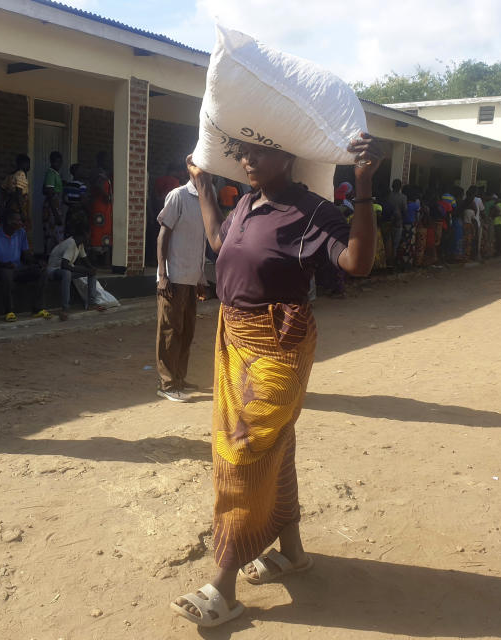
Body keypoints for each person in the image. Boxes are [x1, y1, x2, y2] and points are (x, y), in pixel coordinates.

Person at [169, 133, 382, 627]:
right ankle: (292, 552)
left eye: (258, 151)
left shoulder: (313, 212)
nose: (246, 159)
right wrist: (202, 187)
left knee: (244, 448)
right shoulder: (247, 202)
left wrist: (364, 186)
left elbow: (358, 263)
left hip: (278, 343)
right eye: (242, 151)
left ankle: (222, 584)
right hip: (233, 337)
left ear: (288, 155)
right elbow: (223, 244)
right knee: (276, 443)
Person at [155, 175, 208, 403]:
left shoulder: (206, 200)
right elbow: (163, 236)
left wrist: (201, 277)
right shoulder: (178, 196)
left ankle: (179, 378)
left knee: (186, 332)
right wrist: (162, 275)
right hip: (173, 277)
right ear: (193, 172)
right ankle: (167, 384)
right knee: (169, 331)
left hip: (191, 278)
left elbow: (200, 242)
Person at [0, 212, 50, 320]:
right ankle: (9, 311)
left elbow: (26, 255)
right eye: (18, 220)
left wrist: (37, 262)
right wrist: (4, 264)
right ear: (9, 222)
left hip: (17, 268)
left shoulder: (21, 233)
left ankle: (38, 308)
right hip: (0, 269)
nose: (21, 223)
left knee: (42, 271)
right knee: (7, 273)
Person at [46, 232, 100, 321]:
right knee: (67, 273)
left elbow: (84, 259)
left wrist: (92, 269)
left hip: (65, 269)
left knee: (91, 273)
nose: (89, 239)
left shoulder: (79, 244)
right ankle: (65, 308)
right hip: (54, 270)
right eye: (88, 236)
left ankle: (91, 303)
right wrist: (85, 270)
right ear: (82, 236)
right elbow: (64, 265)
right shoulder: (71, 243)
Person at [89, 151, 113, 267]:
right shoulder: (98, 173)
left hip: (106, 207)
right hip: (99, 206)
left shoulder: (105, 173)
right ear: (100, 161)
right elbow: (97, 186)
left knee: (106, 232)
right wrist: (105, 195)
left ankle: (105, 261)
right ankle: (94, 261)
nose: (108, 162)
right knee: (97, 231)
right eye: (106, 160)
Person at [0, 154, 31, 232]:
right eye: (28, 163)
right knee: (20, 232)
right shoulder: (21, 174)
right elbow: (19, 194)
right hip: (18, 208)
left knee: (11, 231)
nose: (29, 166)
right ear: (23, 164)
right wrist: (23, 212)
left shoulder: (10, 175)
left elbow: (2, 188)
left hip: (10, 207)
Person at [62, 163, 89, 237]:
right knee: (82, 235)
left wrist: (72, 205)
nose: (83, 171)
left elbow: (64, 199)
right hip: (80, 213)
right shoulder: (82, 185)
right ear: (77, 172)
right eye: (81, 170)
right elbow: (84, 200)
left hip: (70, 212)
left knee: (70, 236)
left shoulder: (68, 185)